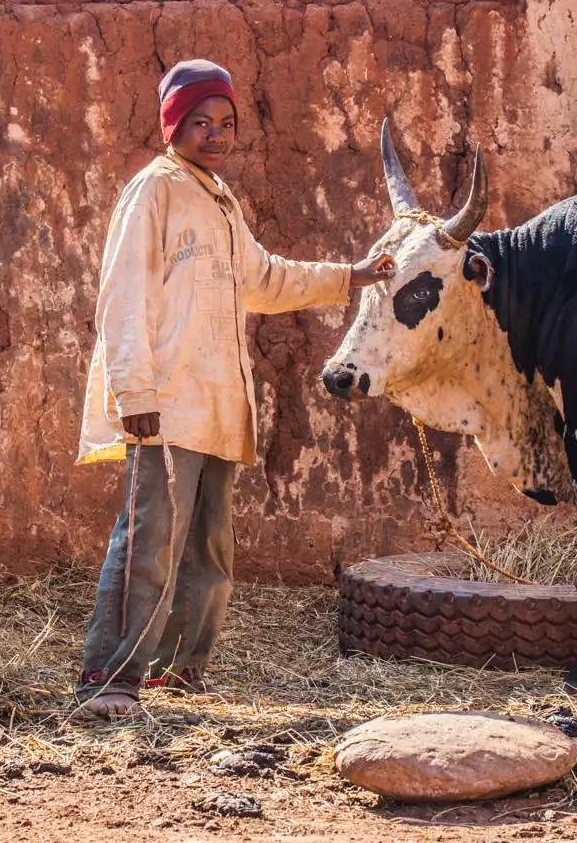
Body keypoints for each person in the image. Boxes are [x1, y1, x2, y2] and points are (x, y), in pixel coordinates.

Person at [73, 59, 395, 719]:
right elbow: (122, 295)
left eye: (226, 123)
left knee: (209, 554)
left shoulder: (218, 199)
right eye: (200, 123)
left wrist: (352, 276)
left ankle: (178, 675)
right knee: (148, 544)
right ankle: (109, 682)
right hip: (162, 405)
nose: (216, 135)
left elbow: (266, 280)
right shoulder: (153, 191)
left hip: (218, 406)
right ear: (173, 125)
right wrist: (132, 393)